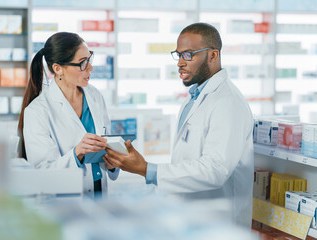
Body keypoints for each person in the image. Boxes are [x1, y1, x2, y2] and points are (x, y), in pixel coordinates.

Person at [103, 23, 254, 227]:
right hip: (193, 217)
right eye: (179, 54)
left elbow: (215, 170)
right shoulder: (194, 97)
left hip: (220, 222)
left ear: (213, 55)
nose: (180, 63)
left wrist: (148, 170)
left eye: (189, 55)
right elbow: (186, 159)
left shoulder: (228, 102)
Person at [18, 32, 119, 199]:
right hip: (65, 201)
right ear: (58, 69)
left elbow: (106, 143)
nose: (90, 68)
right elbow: (43, 172)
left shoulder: (95, 96)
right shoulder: (37, 111)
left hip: (100, 195)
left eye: (89, 59)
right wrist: (77, 154)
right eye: (82, 63)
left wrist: (114, 160)